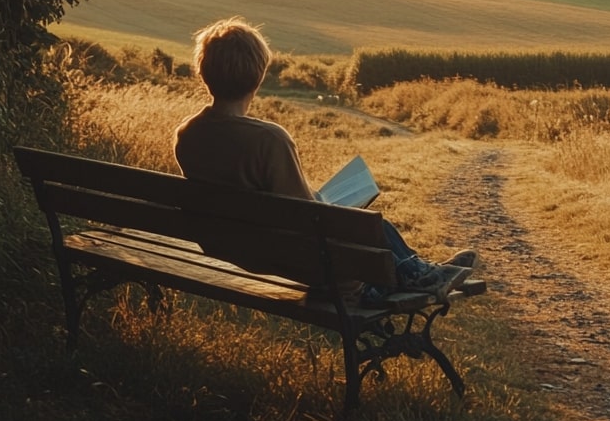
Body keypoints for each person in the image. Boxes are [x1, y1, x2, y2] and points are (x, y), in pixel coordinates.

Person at [172, 16, 475, 305]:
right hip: (307, 265)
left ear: (203, 72)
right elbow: (306, 218)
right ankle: (421, 276)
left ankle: (421, 271)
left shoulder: (188, 134)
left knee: (352, 222)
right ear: (259, 76)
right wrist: (326, 205)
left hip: (236, 249)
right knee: (371, 227)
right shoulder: (269, 140)